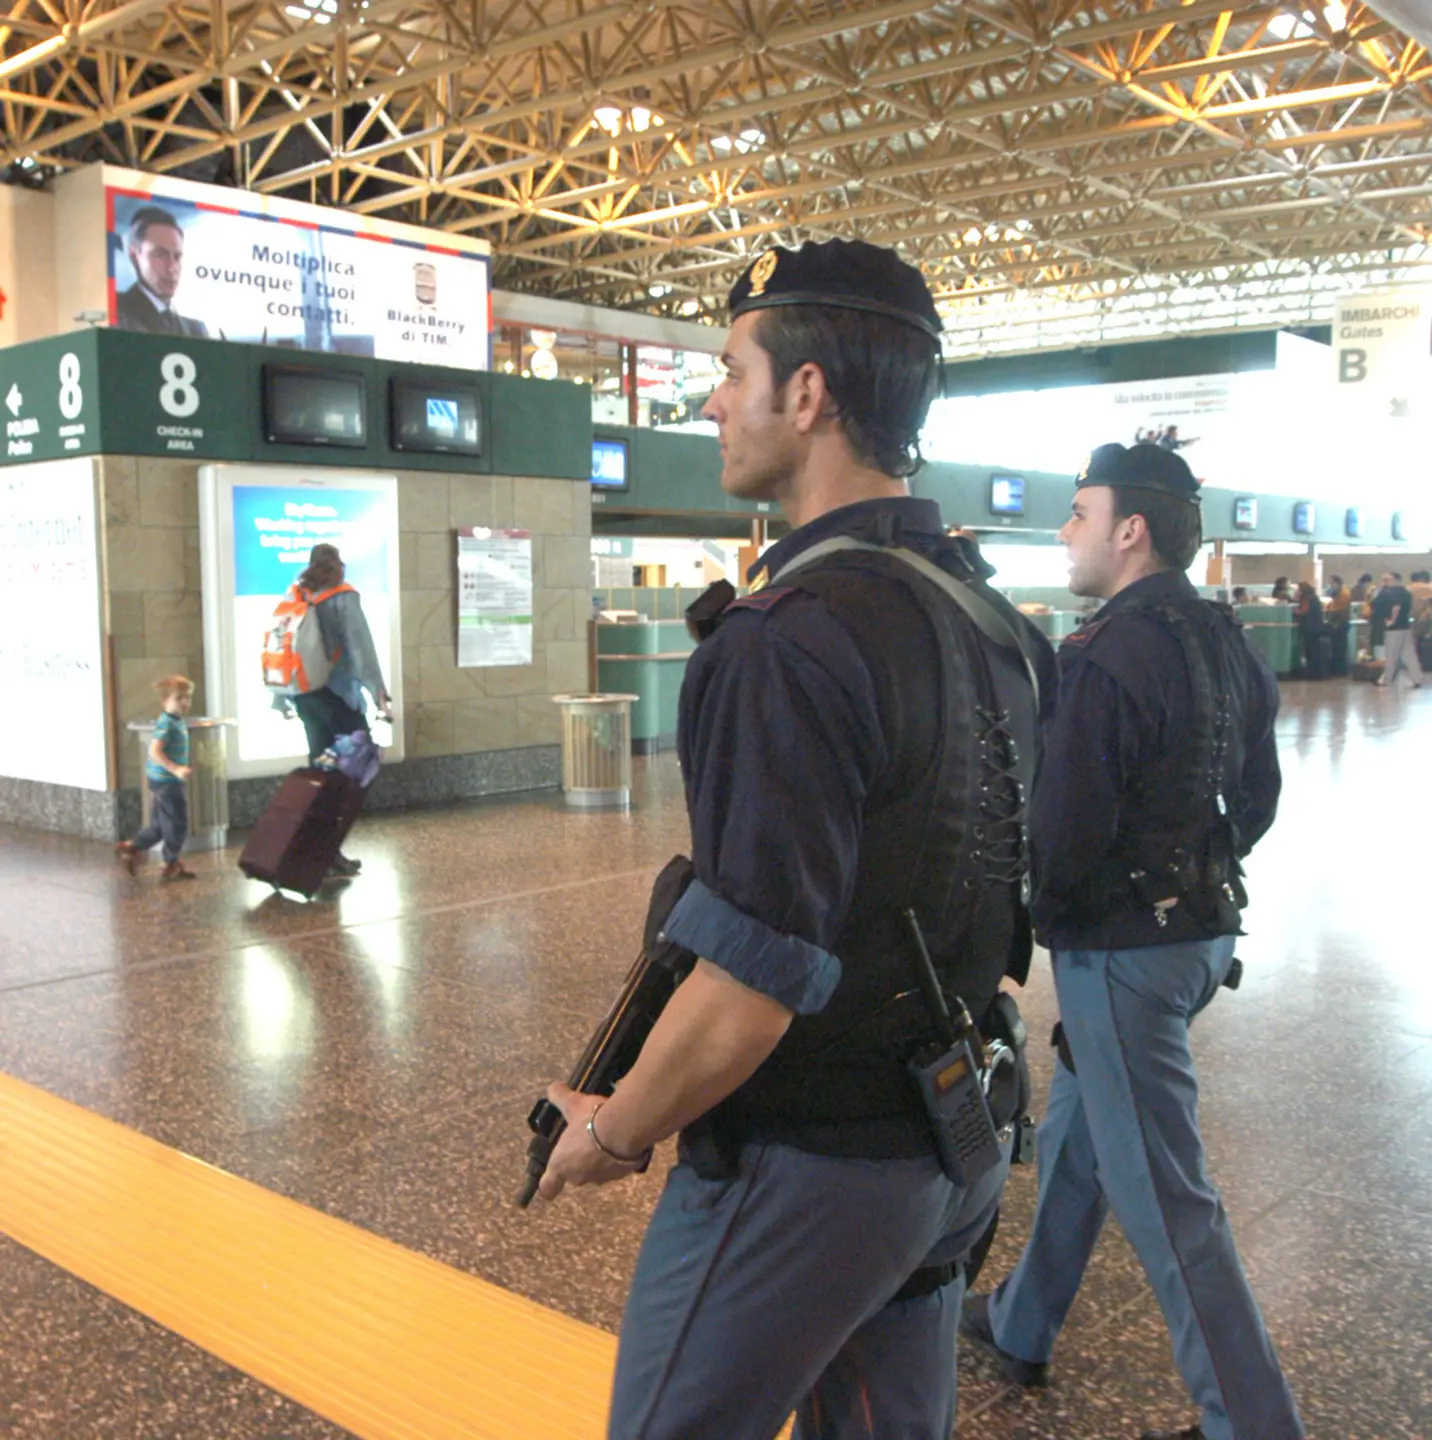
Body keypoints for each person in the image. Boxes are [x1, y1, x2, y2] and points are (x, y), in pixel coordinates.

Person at [533, 239, 1052, 1440]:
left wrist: (608, 1134)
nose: (712, 401)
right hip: (952, 1143)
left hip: (803, 1168)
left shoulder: (785, 638)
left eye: (729, 370)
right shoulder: (993, 620)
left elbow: (747, 991)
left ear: (807, 394)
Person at [962, 442, 1303, 1440]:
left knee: (1166, 1194)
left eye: (1078, 512)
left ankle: (1249, 1418)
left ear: (1130, 530)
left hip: (1122, 957)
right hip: (1199, 935)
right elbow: (1259, 797)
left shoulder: (1105, 655)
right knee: (1081, 1135)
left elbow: (1060, 834)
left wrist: (1045, 929)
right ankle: (1022, 1322)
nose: (1065, 531)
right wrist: (1192, 866)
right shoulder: (1225, 641)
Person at [280, 543, 392, 874]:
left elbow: (283, 644)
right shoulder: (342, 597)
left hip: (306, 697)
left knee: (321, 770)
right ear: (338, 565)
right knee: (349, 772)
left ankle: (316, 850)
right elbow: (361, 650)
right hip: (337, 697)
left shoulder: (299, 594)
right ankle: (327, 850)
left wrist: (282, 697)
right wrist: (379, 693)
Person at [116, 674, 197, 880]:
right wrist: (176, 769)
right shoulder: (167, 724)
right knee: (177, 823)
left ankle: (132, 847)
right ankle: (171, 861)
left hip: (162, 781)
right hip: (167, 782)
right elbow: (155, 752)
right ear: (165, 701)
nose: (185, 702)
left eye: (187, 697)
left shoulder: (174, 721)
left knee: (160, 826)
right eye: (179, 698)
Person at [114, 205, 210, 337]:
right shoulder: (115, 313)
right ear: (135, 256)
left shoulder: (197, 330)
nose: (172, 267)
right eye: (161, 254)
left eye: (177, 257)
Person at [1373, 572, 1424, 689]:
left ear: (1396, 580)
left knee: (1391, 654)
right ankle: (1417, 678)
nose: (1385, 581)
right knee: (1409, 654)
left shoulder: (1389, 593)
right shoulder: (1406, 592)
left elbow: (1390, 607)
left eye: (1387, 579)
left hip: (1393, 628)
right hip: (1405, 626)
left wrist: (1390, 621)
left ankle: (1387, 679)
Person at [1293, 581, 1327, 679]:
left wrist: (1294, 611)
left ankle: (1313, 673)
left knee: (1310, 651)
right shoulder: (1314, 597)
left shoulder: (1306, 598)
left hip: (1309, 628)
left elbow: (1303, 611)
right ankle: (1318, 673)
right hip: (1316, 627)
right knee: (1316, 651)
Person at [1324, 575, 1351, 676]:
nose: (1330, 586)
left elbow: (1340, 609)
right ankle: (1337, 669)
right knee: (1337, 647)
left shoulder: (1344, 594)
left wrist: (1330, 612)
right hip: (1337, 624)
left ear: (1337, 583)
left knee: (1340, 648)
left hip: (1340, 624)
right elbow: (1332, 605)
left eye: (1332, 583)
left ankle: (1340, 670)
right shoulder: (1338, 594)